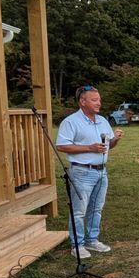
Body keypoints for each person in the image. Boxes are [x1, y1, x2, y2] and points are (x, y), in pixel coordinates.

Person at [55, 85, 124, 258]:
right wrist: (89, 148)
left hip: (102, 172)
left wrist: (115, 139)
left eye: (99, 99)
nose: (98, 103)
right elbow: (61, 145)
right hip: (82, 172)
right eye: (94, 100)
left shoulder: (102, 120)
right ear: (82, 101)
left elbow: (108, 146)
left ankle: (92, 240)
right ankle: (77, 245)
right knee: (79, 211)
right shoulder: (71, 122)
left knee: (96, 209)